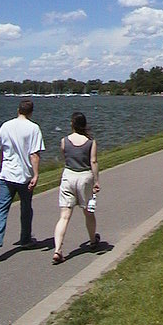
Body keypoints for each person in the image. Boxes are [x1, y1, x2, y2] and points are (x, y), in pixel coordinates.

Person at [0, 99, 45, 264]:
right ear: (31, 112)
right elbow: (34, 154)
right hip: (24, 176)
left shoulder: (5, 126)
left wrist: (4, 161)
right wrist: (35, 175)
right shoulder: (33, 128)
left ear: (18, 110)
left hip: (6, 175)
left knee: (1, 209)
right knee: (26, 207)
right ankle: (25, 238)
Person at [52, 112, 100, 264]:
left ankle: (58, 249)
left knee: (64, 216)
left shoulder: (64, 141)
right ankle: (93, 240)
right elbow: (93, 161)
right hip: (84, 177)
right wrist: (96, 181)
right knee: (88, 212)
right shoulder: (91, 142)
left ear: (72, 124)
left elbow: (65, 157)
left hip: (68, 176)